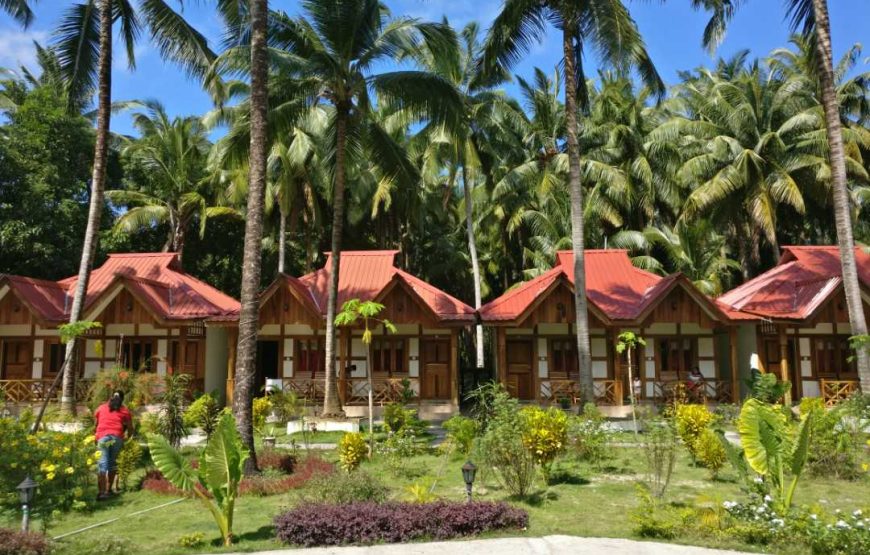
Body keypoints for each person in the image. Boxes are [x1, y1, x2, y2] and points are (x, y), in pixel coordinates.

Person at [94, 390, 133, 500]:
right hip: (117, 437)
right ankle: (108, 490)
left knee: (102, 464)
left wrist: (95, 437)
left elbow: (96, 424)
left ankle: (101, 493)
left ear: (110, 398)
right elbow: (130, 428)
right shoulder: (124, 410)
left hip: (103, 437)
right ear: (122, 400)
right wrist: (128, 438)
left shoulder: (101, 408)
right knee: (112, 464)